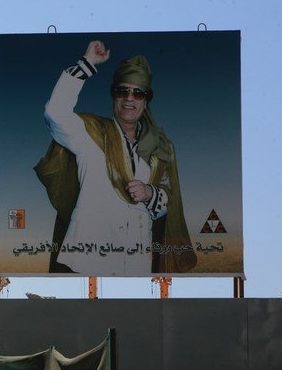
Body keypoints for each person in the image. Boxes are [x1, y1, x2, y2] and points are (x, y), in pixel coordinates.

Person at [35, 39, 196, 275]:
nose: (129, 98)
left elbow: (170, 203)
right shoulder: (90, 132)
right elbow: (54, 113)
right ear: (114, 95)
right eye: (123, 91)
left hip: (137, 262)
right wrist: (87, 62)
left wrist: (150, 193)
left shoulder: (159, 149)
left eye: (138, 93)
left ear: (146, 101)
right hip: (87, 258)